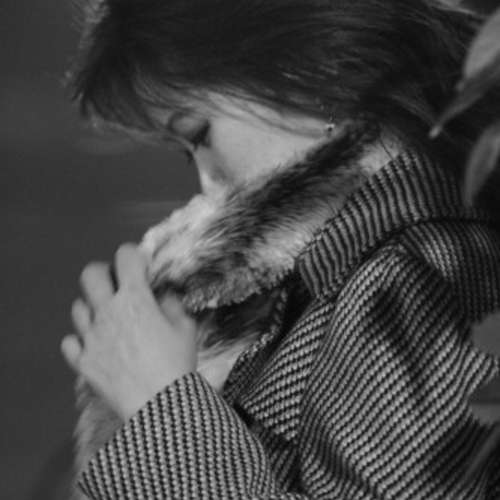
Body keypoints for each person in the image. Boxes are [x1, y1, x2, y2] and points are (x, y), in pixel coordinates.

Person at [60, 0, 500, 498]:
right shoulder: (349, 277)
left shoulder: (421, 279)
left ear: (311, 68)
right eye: (188, 155)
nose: (207, 181)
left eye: (199, 134)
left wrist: (157, 402)